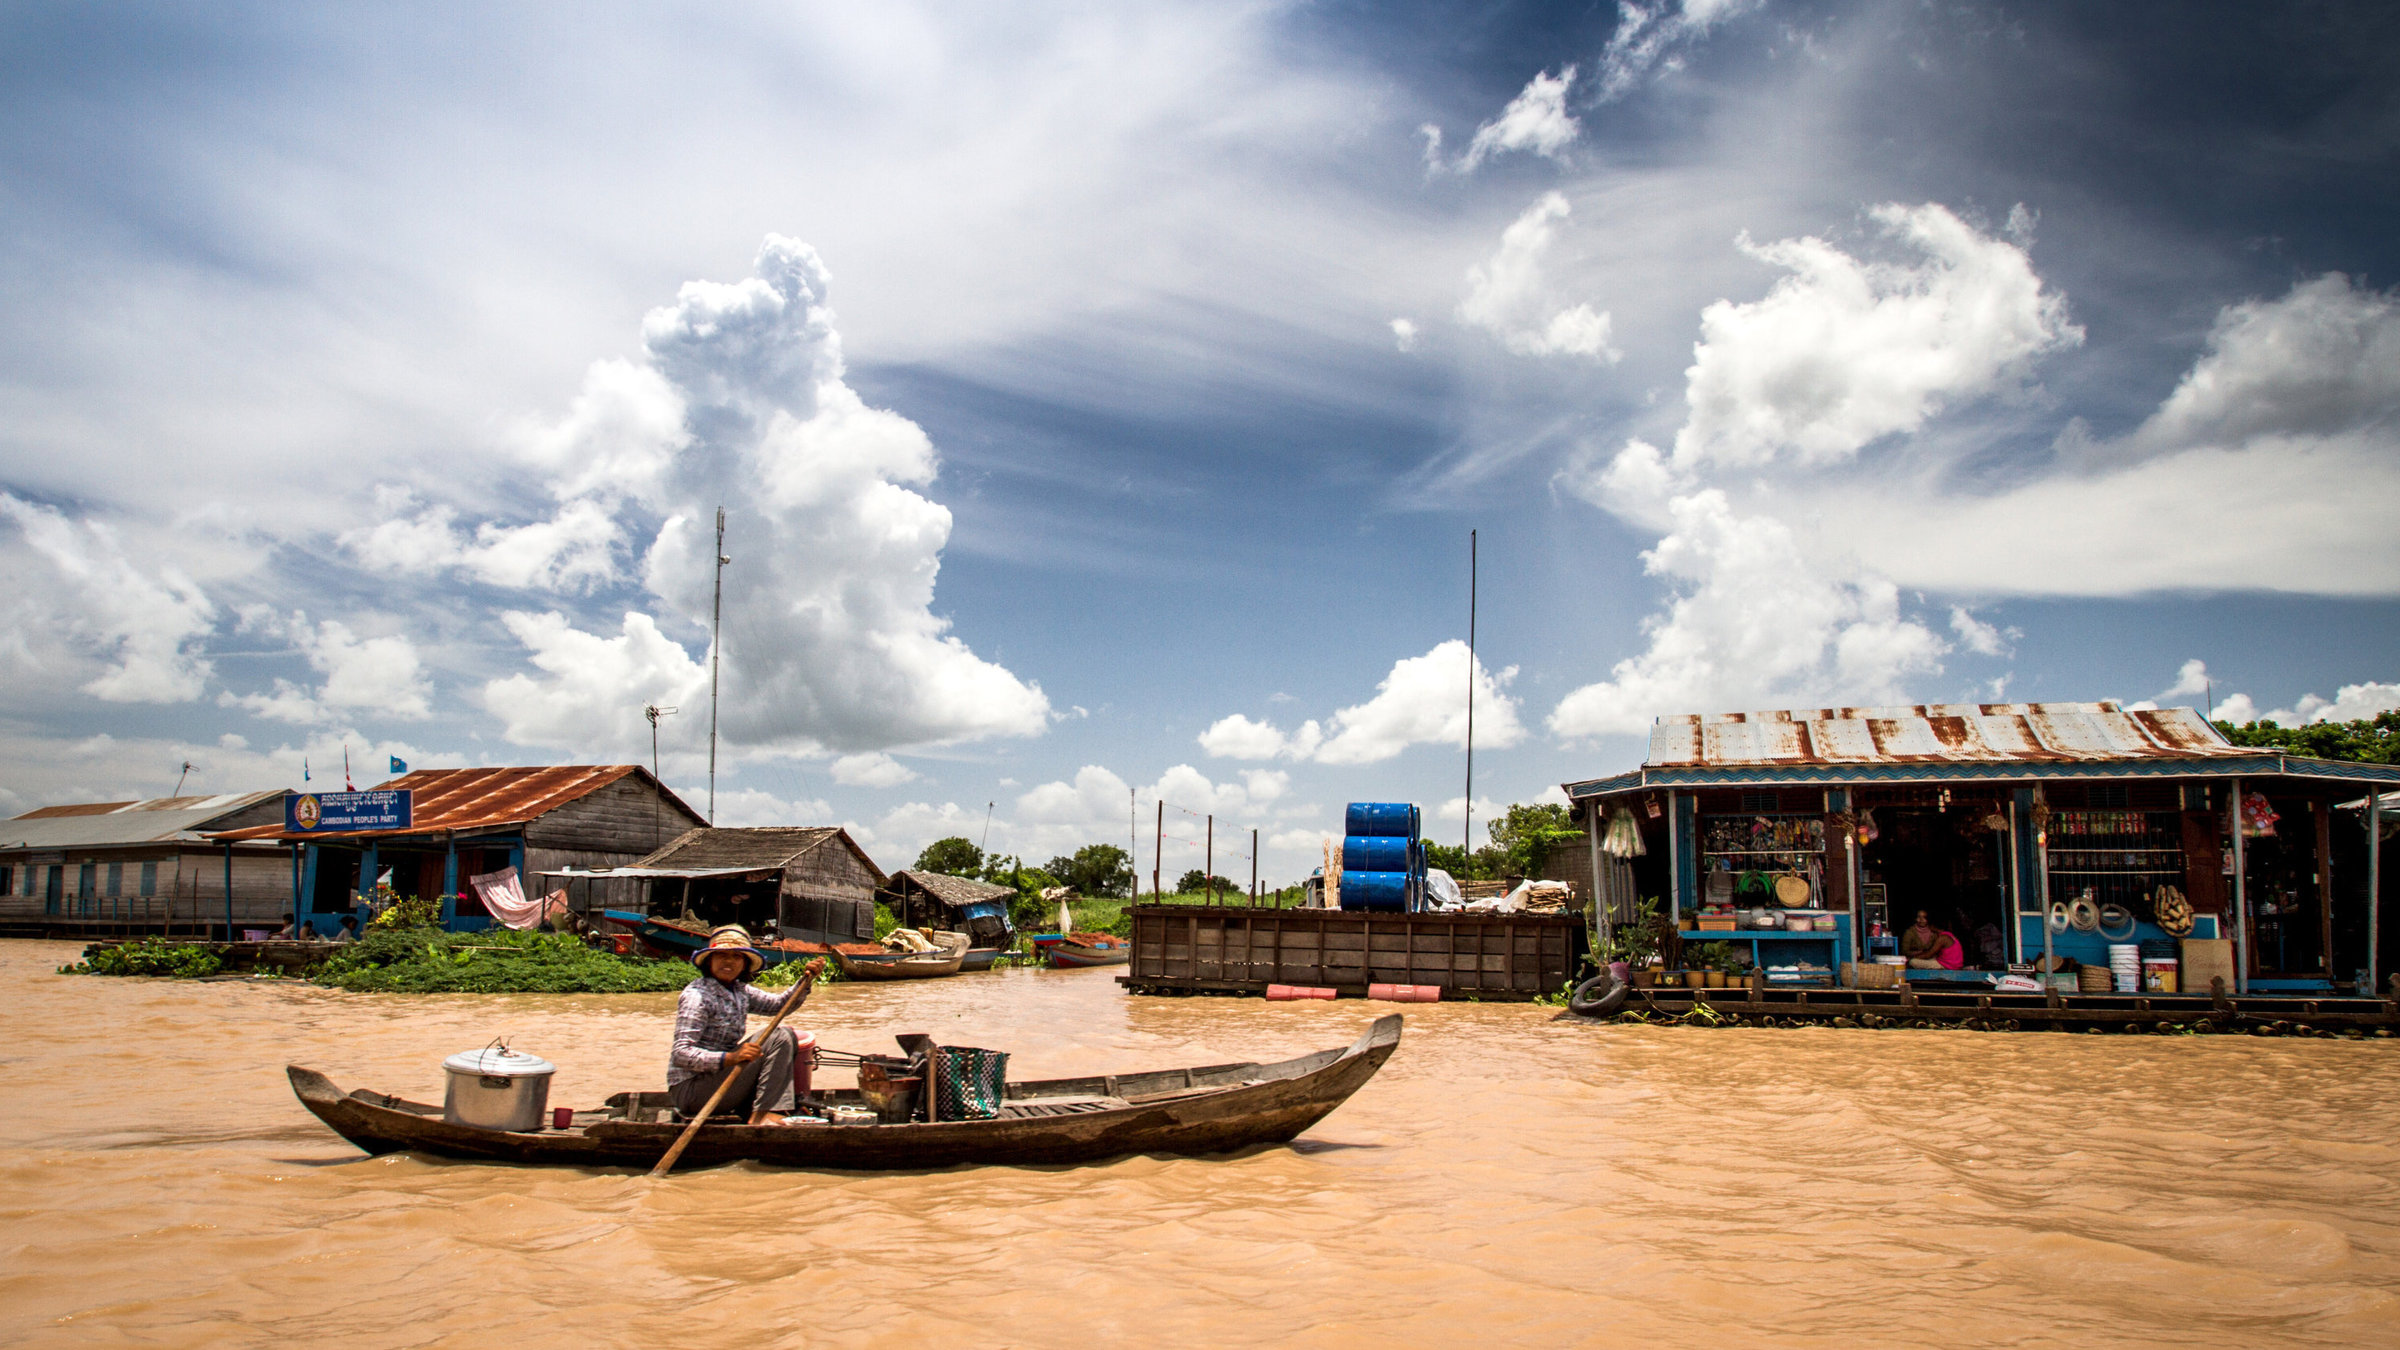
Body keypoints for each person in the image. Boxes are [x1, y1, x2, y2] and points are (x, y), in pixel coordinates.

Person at [668, 925, 822, 1127]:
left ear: (744, 963)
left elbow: (779, 1006)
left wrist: (805, 980)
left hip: (720, 1081)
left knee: (784, 1034)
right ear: (710, 961)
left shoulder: (739, 991)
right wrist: (730, 1058)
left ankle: (764, 1111)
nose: (728, 961)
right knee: (778, 1037)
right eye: (722, 955)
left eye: (736, 956)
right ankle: (763, 1116)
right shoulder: (697, 996)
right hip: (692, 1090)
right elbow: (681, 1054)